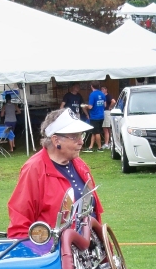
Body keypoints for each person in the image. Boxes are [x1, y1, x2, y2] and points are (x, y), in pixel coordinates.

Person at [6, 109, 102, 239]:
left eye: (81, 135)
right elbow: (20, 226)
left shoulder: (80, 164)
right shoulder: (34, 169)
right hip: (55, 256)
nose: (81, 142)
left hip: (89, 253)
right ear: (56, 140)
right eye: (75, 137)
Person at [85, 81, 106, 152]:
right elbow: (105, 105)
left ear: (91, 86)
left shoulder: (92, 95)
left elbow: (90, 107)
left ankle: (100, 148)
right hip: (101, 115)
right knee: (94, 132)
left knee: (97, 132)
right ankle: (90, 147)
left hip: (95, 116)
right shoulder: (102, 94)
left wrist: (85, 106)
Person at [101, 85, 114, 149]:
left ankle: (106, 143)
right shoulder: (104, 96)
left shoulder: (107, 96)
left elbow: (113, 101)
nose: (102, 90)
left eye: (103, 89)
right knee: (108, 129)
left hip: (106, 112)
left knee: (105, 128)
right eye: (101, 89)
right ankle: (110, 142)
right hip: (106, 112)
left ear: (106, 90)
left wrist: (110, 107)